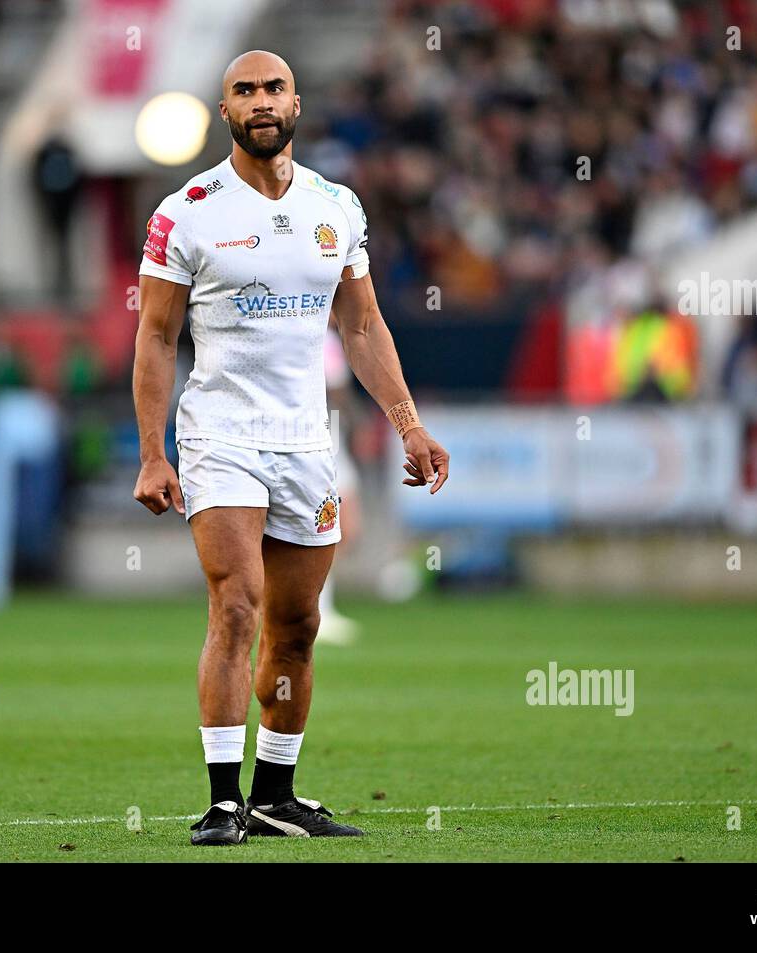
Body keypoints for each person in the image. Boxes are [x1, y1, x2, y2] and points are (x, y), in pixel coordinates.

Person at [131, 50, 449, 845]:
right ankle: (221, 799)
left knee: (298, 624)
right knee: (236, 604)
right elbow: (156, 335)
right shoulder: (188, 211)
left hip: (307, 443)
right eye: (246, 91)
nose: (261, 102)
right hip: (220, 437)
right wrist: (152, 451)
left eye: (274, 88)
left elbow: (363, 325)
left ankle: (276, 793)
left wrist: (408, 424)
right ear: (225, 108)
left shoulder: (336, 207)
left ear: (297, 103)